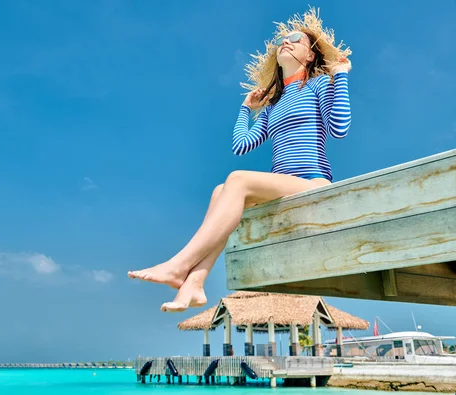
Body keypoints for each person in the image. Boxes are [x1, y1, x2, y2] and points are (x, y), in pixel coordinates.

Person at [128, 7, 352, 312]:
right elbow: (241, 146)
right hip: (282, 188)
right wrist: (246, 108)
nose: (286, 41)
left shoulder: (317, 85)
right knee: (220, 190)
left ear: (310, 55)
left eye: (296, 39)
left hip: (312, 184)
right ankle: (195, 283)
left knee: (237, 179)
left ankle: (178, 265)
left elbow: (339, 129)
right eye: (283, 39)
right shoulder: (273, 105)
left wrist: (339, 76)